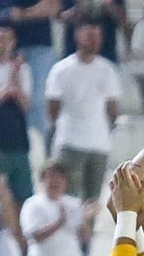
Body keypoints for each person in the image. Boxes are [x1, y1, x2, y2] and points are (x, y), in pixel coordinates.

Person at [45, 22, 119, 200]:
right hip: (70, 141)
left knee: (92, 199)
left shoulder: (107, 70)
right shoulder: (62, 70)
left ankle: (89, 229)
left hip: (98, 144)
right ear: (77, 36)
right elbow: (53, 107)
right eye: (89, 36)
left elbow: (112, 107)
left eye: (97, 37)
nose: (94, 41)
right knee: (68, 197)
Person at [0, 0, 60, 135]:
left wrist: (24, 13)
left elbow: (53, 5)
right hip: (8, 51)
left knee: (35, 102)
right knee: (9, 101)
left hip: (36, 48)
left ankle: (40, 147)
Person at [0, 26, 35, 203]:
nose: (3, 43)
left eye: (7, 39)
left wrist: (15, 83)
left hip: (18, 140)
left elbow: (26, 107)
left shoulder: (22, 70)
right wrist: (5, 89)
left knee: (22, 196)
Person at [59, 0, 127, 65]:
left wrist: (109, 6)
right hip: (74, 57)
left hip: (106, 57)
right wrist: (76, 9)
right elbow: (61, 17)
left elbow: (123, 22)